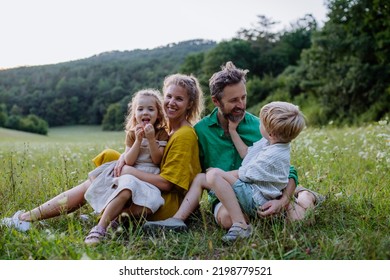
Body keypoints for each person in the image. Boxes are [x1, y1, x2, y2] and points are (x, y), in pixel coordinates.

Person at [0, 73, 204, 238]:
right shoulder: (168, 127)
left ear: (189, 104)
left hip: (161, 203)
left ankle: (25, 218)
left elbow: (168, 183)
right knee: (110, 160)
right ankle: (31, 217)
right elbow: (141, 153)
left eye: (179, 99)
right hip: (146, 185)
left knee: (100, 180)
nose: (171, 102)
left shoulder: (184, 135)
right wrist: (124, 158)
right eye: (168, 96)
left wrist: (128, 170)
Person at [143, 61, 324, 235]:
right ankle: (256, 217)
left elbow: (287, 170)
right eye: (234, 100)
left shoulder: (260, 127)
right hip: (224, 196)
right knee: (226, 219)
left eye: (243, 97)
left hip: (263, 192)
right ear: (216, 101)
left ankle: (305, 195)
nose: (241, 105)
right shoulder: (200, 132)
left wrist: (283, 200)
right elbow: (190, 172)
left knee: (300, 221)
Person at [204, 101, 306, 242]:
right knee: (225, 214)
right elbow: (247, 153)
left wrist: (218, 177)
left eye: (262, 123)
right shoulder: (270, 143)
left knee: (213, 174)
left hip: (257, 198)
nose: (259, 124)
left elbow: (244, 174)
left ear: (271, 134)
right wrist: (233, 131)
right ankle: (301, 198)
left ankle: (241, 226)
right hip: (260, 194)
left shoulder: (273, 154)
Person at [83, 89, 169, 245]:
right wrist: (138, 140)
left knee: (150, 205)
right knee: (126, 188)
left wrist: (150, 140)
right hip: (130, 174)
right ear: (134, 113)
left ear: (158, 114)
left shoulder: (161, 134)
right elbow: (128, 161)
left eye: (151, 109)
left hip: (148, 177)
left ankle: (114, 219)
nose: (145, 112)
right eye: (140, 109)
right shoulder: (132, 133)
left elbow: (157, 160)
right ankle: (100, 228)